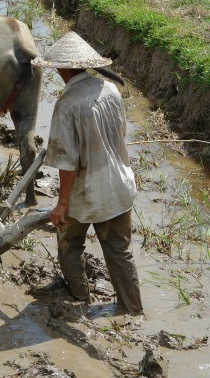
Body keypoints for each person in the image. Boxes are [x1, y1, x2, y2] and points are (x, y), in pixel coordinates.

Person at [37, 31, 143, 316]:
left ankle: (80, 296)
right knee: (120, 252)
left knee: (69, 241)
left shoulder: (67, 104)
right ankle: (132, 310)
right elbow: (119, 136)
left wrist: (61, 204)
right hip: (120, 184)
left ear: (63, 68)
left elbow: (67, 162)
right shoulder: (110, 90)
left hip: (87, 190)